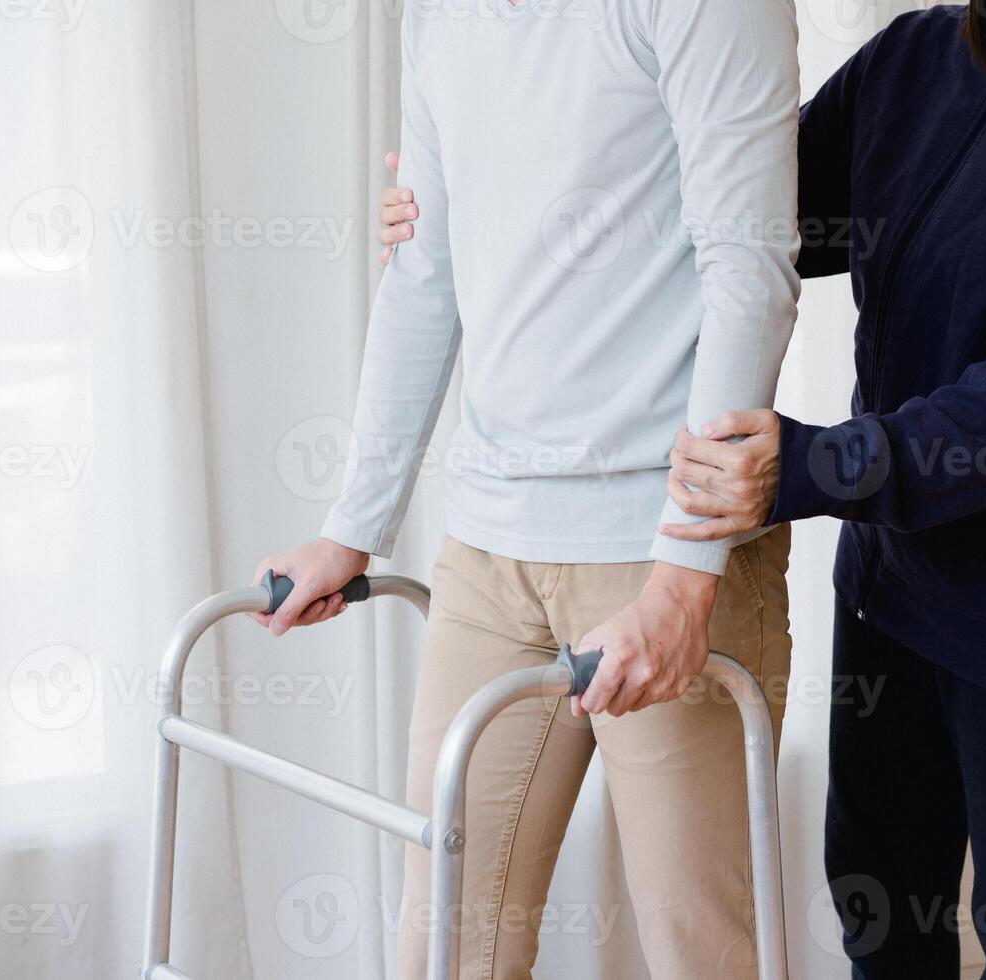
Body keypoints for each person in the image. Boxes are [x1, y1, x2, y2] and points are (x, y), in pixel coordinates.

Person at [381, 0, 986, 976]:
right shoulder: (913, 56)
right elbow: (743, 206)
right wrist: (478, 197)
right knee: (879, 916)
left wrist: (815, 464)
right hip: (893, 590)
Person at [255, 0, 801, 976]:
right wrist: (354, 525)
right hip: (490, 549)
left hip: (659, 549)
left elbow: (748, 273)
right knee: (447, 941)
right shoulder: (439, 17)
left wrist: (683, 575)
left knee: (703, 948)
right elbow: (423, 273)